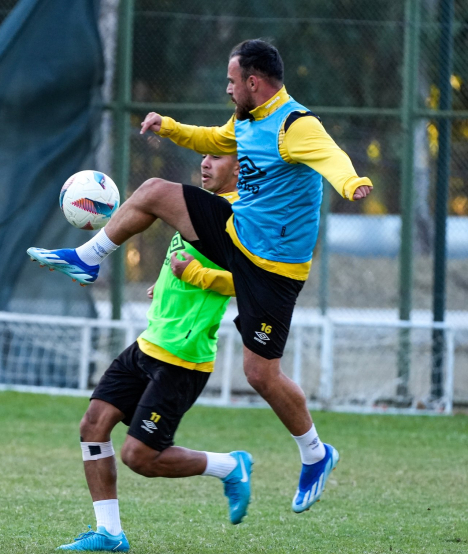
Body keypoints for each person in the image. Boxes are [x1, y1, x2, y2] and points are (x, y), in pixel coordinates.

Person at [28, 39, 373, 514]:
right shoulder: (247, 120)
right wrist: (168, 127)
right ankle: (89, 256)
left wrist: (352, 183)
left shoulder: (295, 124)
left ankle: (316, 454)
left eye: (232, 82)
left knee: (260, 374)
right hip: (237, 232)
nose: (228, 89)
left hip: (273, 269)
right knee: (153, 191)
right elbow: (214, 139)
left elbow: (331, 157)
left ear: (254, 82)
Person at [55, 154, 251, 552]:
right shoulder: (194, 210)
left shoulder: (239, 218)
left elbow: (251, 283)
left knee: (140, 457)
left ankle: (229, 466)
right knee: (93, 424)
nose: (205, 163)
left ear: (240, 166)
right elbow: (183, 260)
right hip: (150, 341)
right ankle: (109, 533)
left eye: (218, 156)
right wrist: (165, 286)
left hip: (183, 355)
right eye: (205, 155)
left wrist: (190, 275)